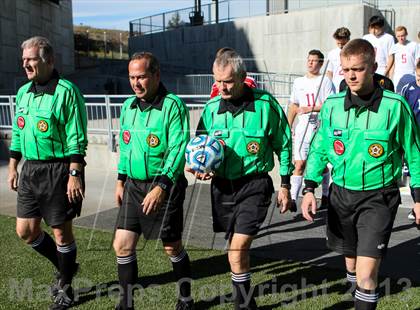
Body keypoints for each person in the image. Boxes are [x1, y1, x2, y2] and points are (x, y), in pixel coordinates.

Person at [301, 39, 420, 310]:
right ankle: (359, 296)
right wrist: (309, 188)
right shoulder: (331, 106)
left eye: (358, 69)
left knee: (367, 275)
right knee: (352, 264)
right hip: (340, 195)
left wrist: (418, 197)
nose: (351, 75)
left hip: (378, 197)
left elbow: (414, 154)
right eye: (345, 69)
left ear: (374, 68)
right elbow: (320, 149)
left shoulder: (394, 106)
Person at [191, 48, 294, 309]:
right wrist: (200, 167)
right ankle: (247, 301)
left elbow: (283, 144)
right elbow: (200, 145)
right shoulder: (212, 107)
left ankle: (244, 306)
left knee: (237, 248)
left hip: (255, 184)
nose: (221, 87)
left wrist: (285, 185)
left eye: (227, 81)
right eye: (217, 81)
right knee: (237, 253)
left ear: (242, 77)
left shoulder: (265, 104)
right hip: (222, 188)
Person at [8, 36, 88, 309]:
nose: (25, 64)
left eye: (31, 59)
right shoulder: (23, 92)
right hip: (31, 169)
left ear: (49, 61)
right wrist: (13, 164)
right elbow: (18, 131)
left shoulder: (67, 92)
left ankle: (65, 289)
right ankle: (66, 266)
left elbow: (77, 137)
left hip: (60, 169)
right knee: (26, 231)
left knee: (62, 235)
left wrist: (75, 173)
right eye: (23, 60)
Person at [113, 52, 193, 310]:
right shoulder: (128, 106)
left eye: (141, 77)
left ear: (156, 75)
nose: (135, 83)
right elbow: (125, 147)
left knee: (171, 247)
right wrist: (120, 179)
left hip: (165, 186)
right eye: (131, 77)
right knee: (122, 245)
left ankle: (185, 297)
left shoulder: (173, 106)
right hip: (134, 186)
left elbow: (178, 149)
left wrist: (162, 186)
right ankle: (126, 304)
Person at [287, 50, 334, 212]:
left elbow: (330, 105)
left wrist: (310, 108)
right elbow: (293, 105)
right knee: (299, 163)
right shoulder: (298, 82)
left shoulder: (326, 81)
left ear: (321, 64)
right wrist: (289, 125)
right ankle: (293, 198)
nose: (311, 63)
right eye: (309, 60)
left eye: (315, 61)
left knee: (322, 165)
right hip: (302, 129)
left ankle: (326, 195)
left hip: (320, 128)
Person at [401, 61, 420, 220]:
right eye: (418, 77)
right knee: (413, 174)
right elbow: (402, 111)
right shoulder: (408, 89)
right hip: (412, 138)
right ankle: (416, 206)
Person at [326, 27, 351, 93]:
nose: (340, 46)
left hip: (350, 85)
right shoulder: (332, 53)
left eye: (343, 44)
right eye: (338, 43)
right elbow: (329, 72)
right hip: (336, 88)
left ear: (348, 40)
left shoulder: (354, 52)